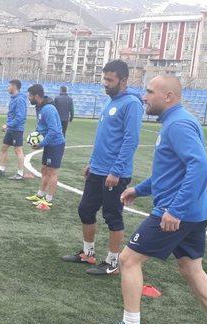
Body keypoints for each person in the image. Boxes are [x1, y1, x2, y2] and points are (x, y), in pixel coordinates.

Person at [94, 75, 207, 324]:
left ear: (168, 96)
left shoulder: (179, 123)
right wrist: (140, 189)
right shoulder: (175, 120)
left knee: (127, 260)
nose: (144, 97)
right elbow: (171, 170)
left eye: (149, 92)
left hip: (176, 212)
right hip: (193, 212)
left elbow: (200, 167)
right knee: (192, 269)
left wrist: (175, 210)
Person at [62, 60, 143, 275]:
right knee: (85, 210)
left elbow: (130, 140)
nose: (105, 83)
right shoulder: (110, 102)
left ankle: (113, 262)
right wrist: (92, 162)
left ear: (123, 80)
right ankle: (88, 254)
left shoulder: (131, 103)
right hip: (98, 170)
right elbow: (104, 139)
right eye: (104, 79)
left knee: (112, 216)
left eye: (110, 80)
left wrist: (116, 171)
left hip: (114, 174)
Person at [24, 84, 65, 208]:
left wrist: (41, 143)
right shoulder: (40, 107)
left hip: (56, 144)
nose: (28, 98)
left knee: (52, 172)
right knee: (44, 169)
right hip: (49, 144)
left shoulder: (48, 109)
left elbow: (54, 131)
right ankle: (40, 194)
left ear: (36, 96)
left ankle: (48, 199)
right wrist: (35, 137)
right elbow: (42, 127)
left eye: (30, 96)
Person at [0, 79, 27, 180]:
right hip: (11, 128)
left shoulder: (20, 99)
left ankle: (20, 173)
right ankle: (1, 169)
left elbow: (20, 117)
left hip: (17, 129)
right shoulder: (13, 98)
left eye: (9, 86)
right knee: (4, 148)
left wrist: (8, 125)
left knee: (18, 150)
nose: (7, 88)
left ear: (14, 86)